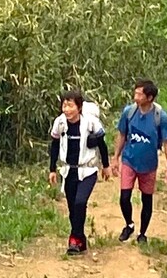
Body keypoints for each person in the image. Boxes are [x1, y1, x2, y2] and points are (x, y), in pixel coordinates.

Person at [49, 89, 111, 255]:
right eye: (64, 105)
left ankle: (74, 239)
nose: (67, 109)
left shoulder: (90, 123)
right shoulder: (60, 123)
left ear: (79, 107)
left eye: (70, 106)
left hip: (88, 170)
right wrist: (52, 169)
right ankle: (80, 239)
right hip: (69, 171)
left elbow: (102, 145)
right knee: (72, 208)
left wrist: (106, 166)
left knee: (79, 202)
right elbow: (54, 145)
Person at [114, 78, 167, 244]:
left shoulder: (160, 117)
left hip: (148, 164)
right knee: (124, 197)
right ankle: (129, 224)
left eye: (139, 94)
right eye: (136, 92)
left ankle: (143, 233)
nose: (136, 96)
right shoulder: (129, 112)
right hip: (129, 160)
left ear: (150, 97)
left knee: (146, 199)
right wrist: (115, 158)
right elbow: (122, 135)